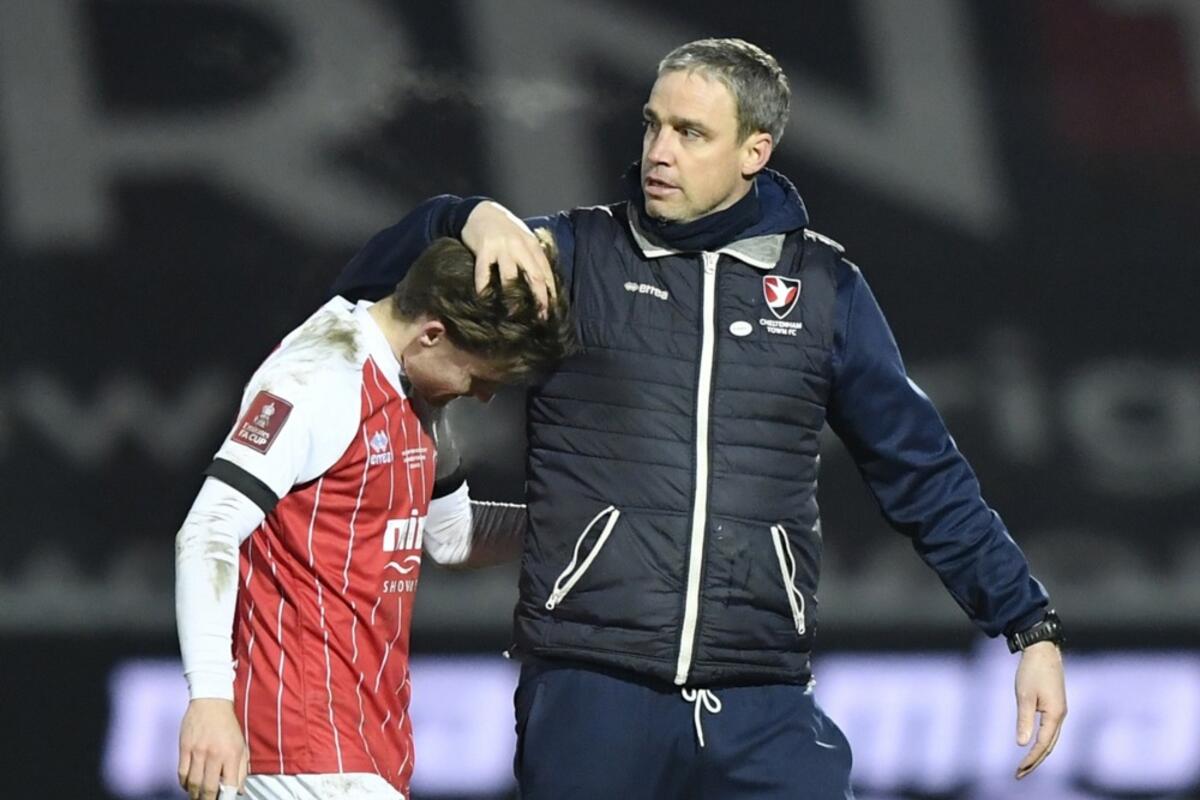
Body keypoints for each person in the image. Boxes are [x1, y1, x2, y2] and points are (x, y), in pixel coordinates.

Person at [331, 38, 1067, 799]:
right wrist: (461, 217)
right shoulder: (572, 257)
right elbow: (360, 307)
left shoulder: (823, 288)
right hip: (592, 690)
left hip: (762, 698)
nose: (659, 150)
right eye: (653, 124)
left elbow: (922, 472)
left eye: (690, 133)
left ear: (755, 151)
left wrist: (1029, 625)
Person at [174, 234, 574, 800]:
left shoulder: (416, 388)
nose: (483, 396)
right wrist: (210, 699)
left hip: (365, 746)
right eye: (479, 378)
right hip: (300, 744)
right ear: (432, 333)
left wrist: (574, 525)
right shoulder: (318, 379)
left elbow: (451, 535)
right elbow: (209, 527)